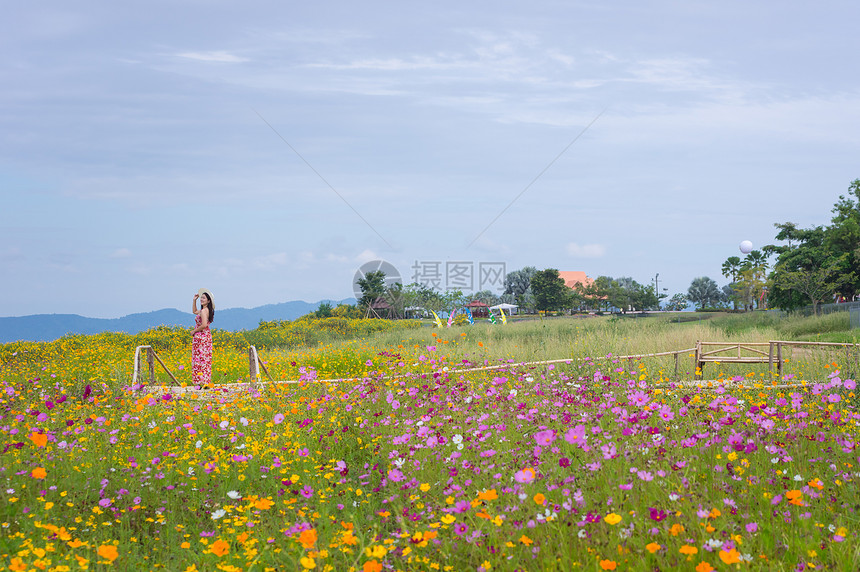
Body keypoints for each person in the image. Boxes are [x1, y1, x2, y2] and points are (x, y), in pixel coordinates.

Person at [191, 289, 214, 388]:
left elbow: (204, 324)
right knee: (204, 359)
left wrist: (194, 331)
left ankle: (200, 382)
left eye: (204, 298)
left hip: (202, 337)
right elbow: (194, 311)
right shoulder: (204, 310)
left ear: (208, 301)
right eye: (201, 298)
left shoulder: (204, 311)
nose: (202, 299)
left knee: (200, 359)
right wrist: (194, 300)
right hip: (205, 337)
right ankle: (204, 382)